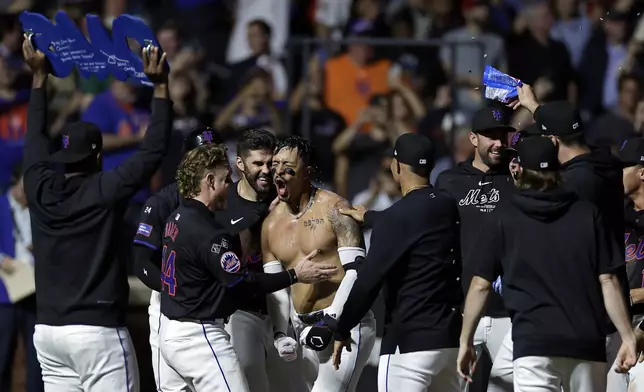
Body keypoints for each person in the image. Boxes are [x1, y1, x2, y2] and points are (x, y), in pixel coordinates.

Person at [22, 37, 170, 392]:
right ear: (99, 158)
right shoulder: (105, 188)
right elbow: (153, 152)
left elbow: (35, 140)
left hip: (49, 333)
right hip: (96, 333)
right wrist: (161, 86)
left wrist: (38, 79)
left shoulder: (39, 187)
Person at [457, 136, 637, 392]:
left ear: (520, 168)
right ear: (557, 167)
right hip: (586, 343)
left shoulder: (504, 217)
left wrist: (465, 340)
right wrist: (627, 337)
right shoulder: (587, 213)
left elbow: (480, 285)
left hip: (534, 345)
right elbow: (608, 279)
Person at [158, 144, 337, 391]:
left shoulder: (175, 218)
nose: (230, 185)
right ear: (210, 181)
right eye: (225, 179)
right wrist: (294, 275)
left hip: (171, 331)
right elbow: (241, 283)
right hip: (200, 337)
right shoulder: (207, 232)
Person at [509, 86, 629, 389]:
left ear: (552, 140)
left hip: (582, 314)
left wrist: (522, 182)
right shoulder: (606, 163)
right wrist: (535, 106)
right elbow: (565, 137)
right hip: (606, 308)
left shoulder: (576, 184)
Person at [326, 133, 463, 392]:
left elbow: (368, 282)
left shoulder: (396, 219)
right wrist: (373, 218)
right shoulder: (447, 204)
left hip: (409, 345)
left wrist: (342, 328)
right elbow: (415, 219)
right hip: (450, 342)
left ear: (396, 166)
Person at [261, 135, 376, 392]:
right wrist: (281, 334)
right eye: (275, 164)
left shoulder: (335, 208)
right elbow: (276, 287)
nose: (279, 172)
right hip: (302, 329)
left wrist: (331, 321)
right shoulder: (270, 224)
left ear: (308, 172)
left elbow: (357, 271)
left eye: (288, 166)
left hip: (345, 324)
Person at [132, 126, 223, 392]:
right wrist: (172, 287)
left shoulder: (228, 198)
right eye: (200, 156)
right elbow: (141, 262)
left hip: (217, 302)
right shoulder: (162, 202)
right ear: (186, 161)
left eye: (214, 156)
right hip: (171, 303)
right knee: (173, 388)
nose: (207, 162)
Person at [215, 129, 306, 392]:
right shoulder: (224, 201)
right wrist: (261, 218)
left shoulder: (286, 197)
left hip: (284, 311)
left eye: (270, 163)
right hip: (241, 312)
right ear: (240, 164)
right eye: (258, 163)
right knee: (248, 382)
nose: (266, 170)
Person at [434, 106, 516, 391]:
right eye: (490, 136)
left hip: (508, 310)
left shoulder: (517, 179)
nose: (498, 143)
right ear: (472, 138)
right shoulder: (449, 181)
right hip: (462, 307)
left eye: (503, 136)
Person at [618, 137, 644, 390]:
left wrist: (637, 295)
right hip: (616, 324)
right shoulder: (616, 212)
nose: (618, 173)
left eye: (624, 166)